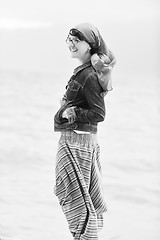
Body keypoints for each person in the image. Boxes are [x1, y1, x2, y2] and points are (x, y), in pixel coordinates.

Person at [54, 23, 115, 240]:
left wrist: (72, 111)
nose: (71, 44)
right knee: (76, 198)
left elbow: (98, 114)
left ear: (89, 45)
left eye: (76, 40)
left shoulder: (88, 75)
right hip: (77, 140)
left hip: (78, 142)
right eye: (69, 40)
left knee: (77, 200)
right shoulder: (83, 72)